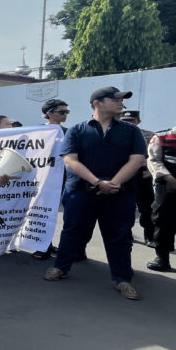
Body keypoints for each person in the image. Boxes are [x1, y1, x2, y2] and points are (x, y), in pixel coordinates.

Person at [43, 87, 147, 301]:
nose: (121, 104)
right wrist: (97, 182)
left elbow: (137, 159)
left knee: (120, 236)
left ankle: (122, 279)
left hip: (119, 193)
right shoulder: (77, 130)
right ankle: (61, 267)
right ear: (97, 103)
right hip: (81, 192)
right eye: (116, 99)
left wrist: (114, 183)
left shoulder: (131, 131)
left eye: (122, 100)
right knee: (73, 231)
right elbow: (70, 159)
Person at [145, 104, 176, 272]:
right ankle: (162, 258)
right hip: (169, 188)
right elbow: (153, 160)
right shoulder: (162, 137)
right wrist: (169, 178)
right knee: (164, 223)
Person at [33, 99, 71, 260]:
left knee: (52, 213)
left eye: (66, 112)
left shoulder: (69, 132)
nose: (65, 115)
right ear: (49, 113)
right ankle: (40, 244)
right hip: (40, 178)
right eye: (61, 112)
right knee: (39, 211)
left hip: (61, 178)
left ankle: (46, 243)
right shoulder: (37, 131)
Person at [120, 110, 157, 247]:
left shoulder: (149, 135)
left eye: (131, 121)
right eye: (124, 120)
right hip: (123, 177)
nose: (128, 123)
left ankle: (150, 235)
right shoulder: (116, 135)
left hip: (142, 178)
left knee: (147, 209)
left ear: (138, 121)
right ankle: (126, 234)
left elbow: (153, 157)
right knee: (124, 208)